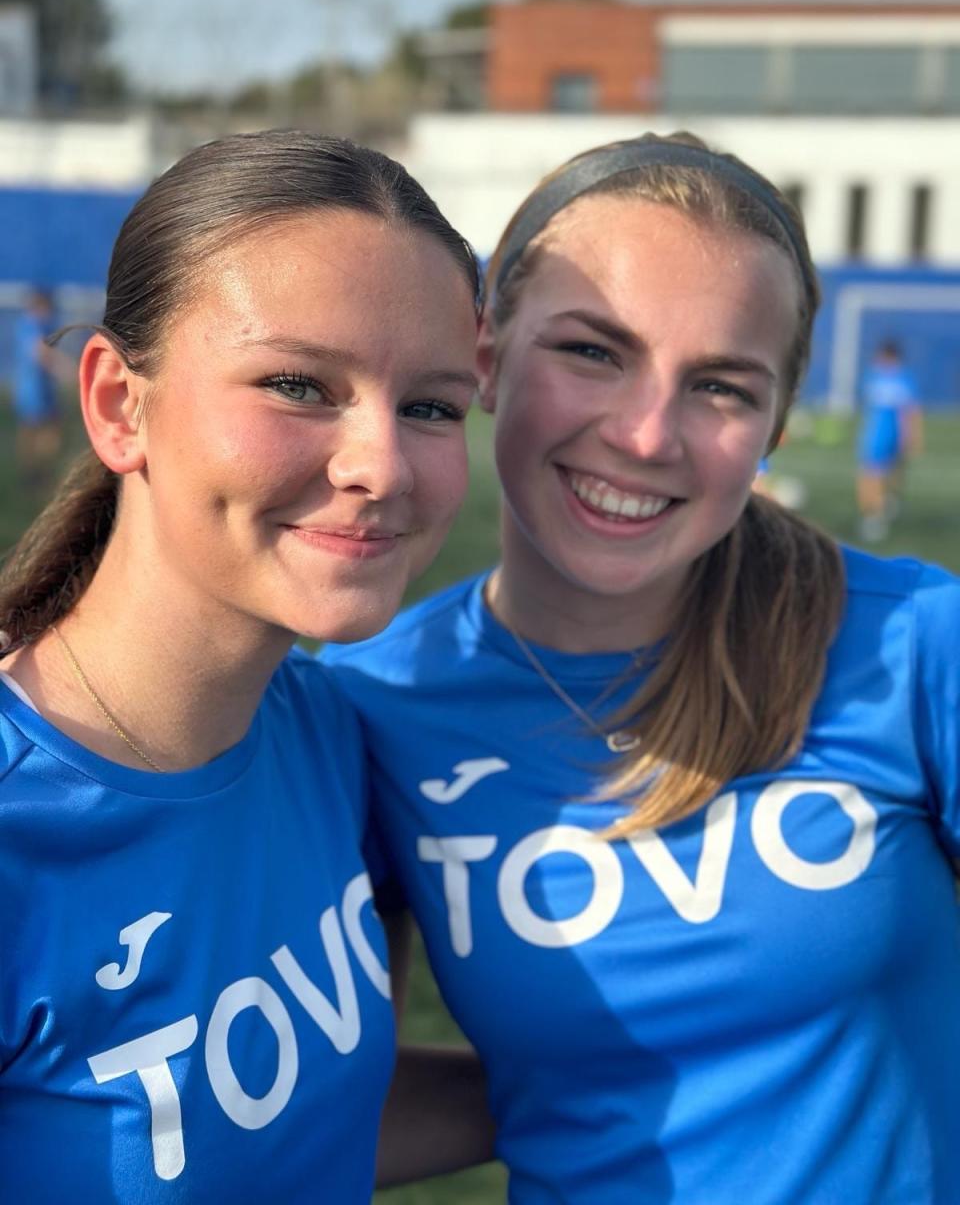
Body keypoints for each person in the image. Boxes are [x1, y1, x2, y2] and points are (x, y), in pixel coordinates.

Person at [324, 133, 960, 1204]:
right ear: (486, 356)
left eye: (719, 384)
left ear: (775, 426)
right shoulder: (368, 705)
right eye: (592, 351)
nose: (647, 433)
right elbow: (335, 1106)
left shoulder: (916, 645)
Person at [0, 130, 487, 1202]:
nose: (382, 464)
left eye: (433, 406)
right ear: (120, 405)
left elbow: (309, 1115)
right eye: (299, 384)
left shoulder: (326, 734)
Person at [856, 338, 923, 542]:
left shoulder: (877, 377)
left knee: (870, 473)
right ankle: (887, 504)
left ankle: (874, 517)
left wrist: (912, 434)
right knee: (887, 470)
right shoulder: (901, 378)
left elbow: (910, 409)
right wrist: (912, 435)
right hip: (891, 432)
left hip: (879, 432)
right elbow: (911, 410)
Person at [11, 288, 71, 489]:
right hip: (33, 390)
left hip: (41, 389)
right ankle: (34, 475)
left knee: (45, 431)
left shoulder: (39, 325)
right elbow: (40, 353)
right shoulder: (30, 325)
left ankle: (37, 474)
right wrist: (66, 368)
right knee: (38, 431)